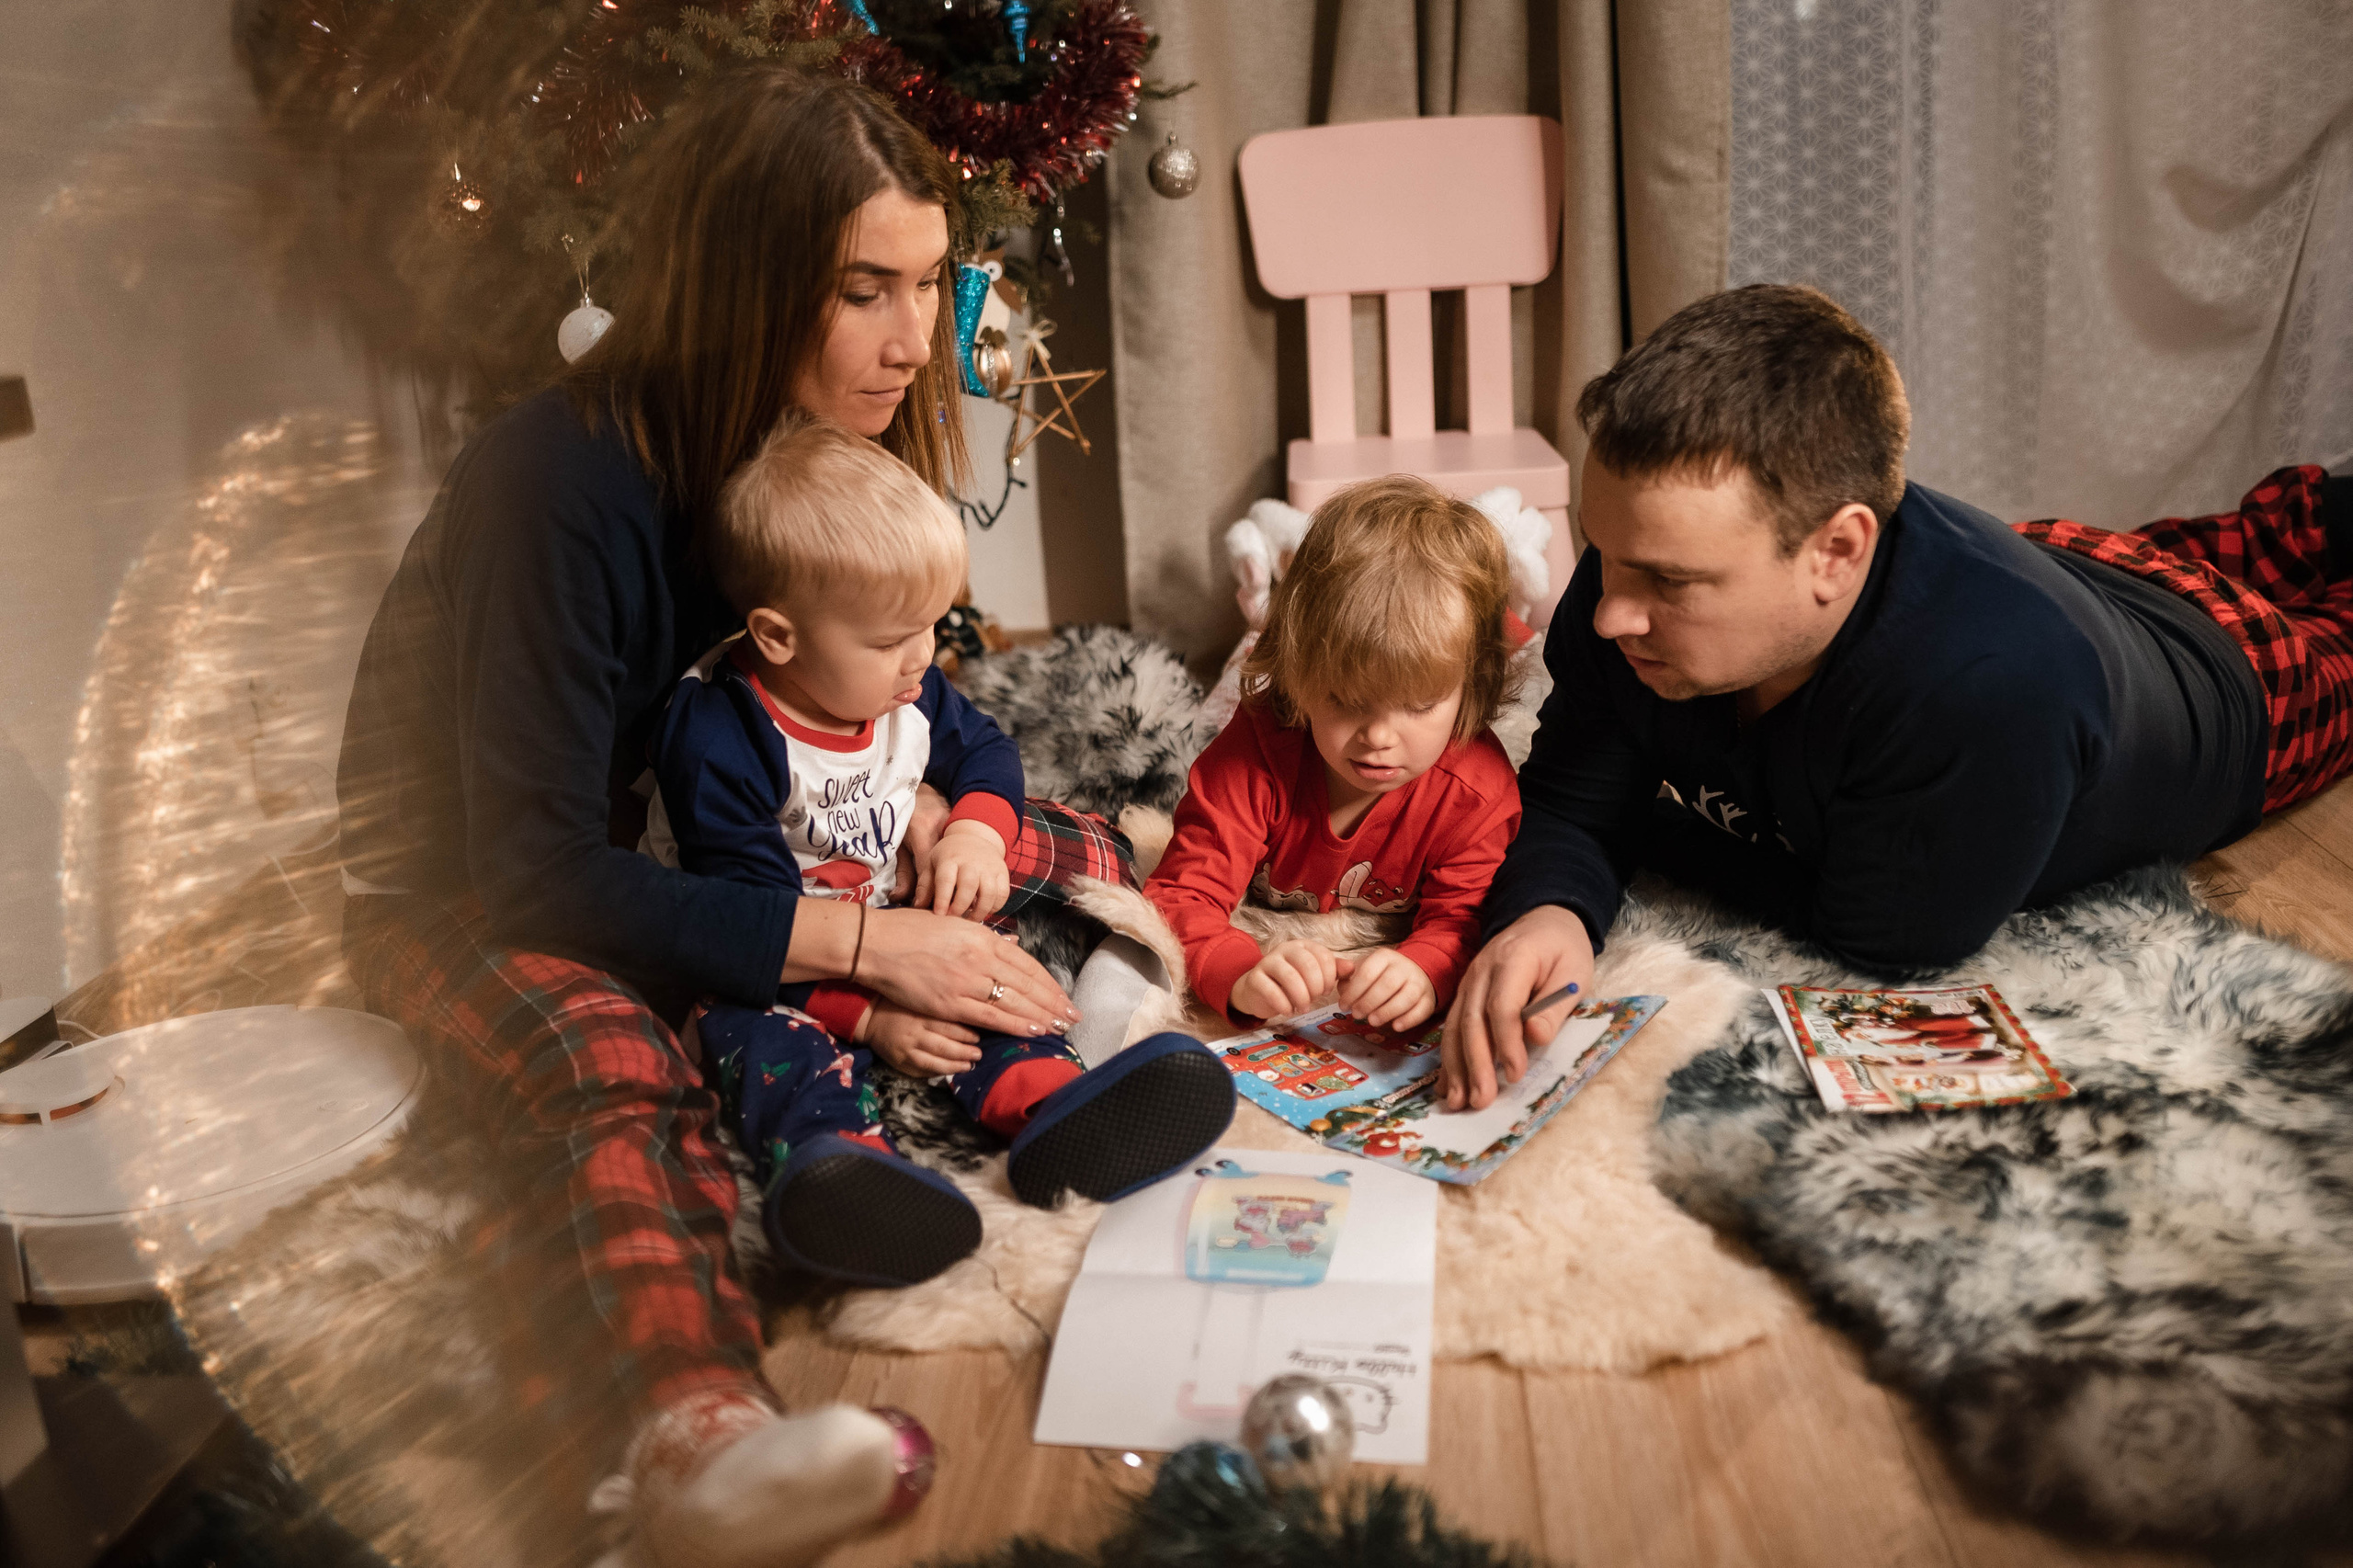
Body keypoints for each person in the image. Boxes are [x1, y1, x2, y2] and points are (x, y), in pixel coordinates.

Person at [334, 70, 1138, 1568]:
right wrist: (861, 948)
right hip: (484, 893)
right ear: (746, 284)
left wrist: (935, 811)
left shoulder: (811, 448)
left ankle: (1100, 1029)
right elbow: (535, 875)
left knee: (1042, 837)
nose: (916, 340)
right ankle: (696, 1437)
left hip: (711, 841)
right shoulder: (551, 488)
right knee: (618, 1065)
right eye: (865, 290)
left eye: (930, 284)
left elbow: (889, 698)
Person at [1442, 282, 2353, 1111]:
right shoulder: (1632, 581)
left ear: (1837, 552)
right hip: (2068, 558)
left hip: (2234, 677)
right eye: (1605, 551)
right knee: (2276, 527)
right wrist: (1551, 907)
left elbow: (1879, 935)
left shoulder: (1985, 696)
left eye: (1670, 581)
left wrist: (1642, 826)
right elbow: (1573, 794)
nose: (1607, 614)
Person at [643, 415, 1232, 1286]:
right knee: (766, 1044)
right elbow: (755, 927)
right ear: (777, 637)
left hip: (887, 911)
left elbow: (985, 750)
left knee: (989, 983)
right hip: (765, 957)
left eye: (932, 625)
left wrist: (975, 831)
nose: (922, 658)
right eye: (891, 640)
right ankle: (838, 1168)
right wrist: (872, 1019)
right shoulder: (721, 740)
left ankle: (1054, 1105)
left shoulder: (905, 684)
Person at [1097, 475, 1523, 1040]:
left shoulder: (1477, 793)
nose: (1378, 736)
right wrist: (1240, 973)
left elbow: (1467, 921)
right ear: (1300, 676)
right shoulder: (1255, 755)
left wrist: (1425, 969)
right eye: (1346, 700)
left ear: (1471, 689)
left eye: (1419, 705)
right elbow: (1182, 894)